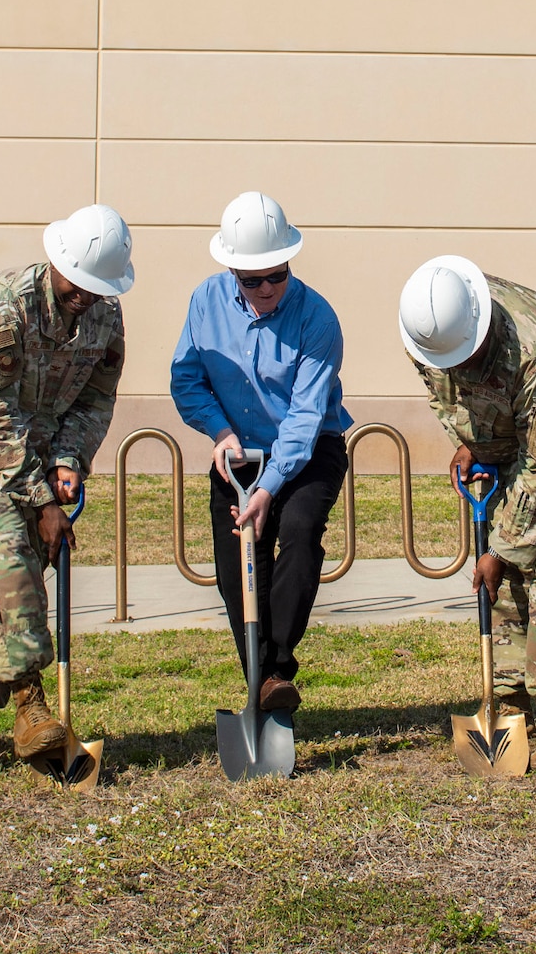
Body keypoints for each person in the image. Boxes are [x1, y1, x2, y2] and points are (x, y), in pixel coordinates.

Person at [0, 204, 133, 767]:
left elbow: (94, 399)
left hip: (31, 453)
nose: (85, 295)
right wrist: (39, 501)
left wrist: (68, 461)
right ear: (55, 260)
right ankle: (31, 708)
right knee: (8, 556)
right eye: (77, 283)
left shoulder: (106, 317)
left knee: (14, 590)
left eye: (96, 287)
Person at [398, 255, 536, 772]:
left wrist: (501, 549)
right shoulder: (430, 327)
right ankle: (508, 701)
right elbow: (446, 396)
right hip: (508, 435)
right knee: (502, 580)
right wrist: (470, 444)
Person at [170, 192, 351, 712]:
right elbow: (186, 378)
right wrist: (220, 433)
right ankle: (263, 680)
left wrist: (271, 485)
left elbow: (305, 414)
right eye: (253, 280)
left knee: (296, 532)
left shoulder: (317, 319)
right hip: (235, 452)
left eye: (278, 274)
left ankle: (279, 665)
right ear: (232, 271)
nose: (268, 288)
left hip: (310, 449)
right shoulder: (205, 302)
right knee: (238, 567)